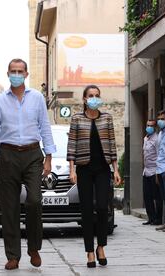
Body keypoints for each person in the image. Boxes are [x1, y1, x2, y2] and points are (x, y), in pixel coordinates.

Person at [0, 58, 56, 270]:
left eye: (20, 71)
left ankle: (34, 248)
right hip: (7, 155)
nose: (16, 74)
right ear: (8, 73)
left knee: (34, 201)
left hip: (33, 153)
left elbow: (45, 126)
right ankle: (13, 255)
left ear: (26, 74)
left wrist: (48, 157)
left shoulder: (37, 99)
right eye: (13, 71)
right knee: (9, 207)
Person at [67, 85, 121, 268]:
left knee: (102, 207)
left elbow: (112, 145)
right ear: (84, 99)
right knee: (87, 210)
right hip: (84, 169)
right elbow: (72, 145)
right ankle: (89, 252)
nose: (94, 98)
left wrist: (116, 169)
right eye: (90, 95)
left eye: (97, 95)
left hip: (103, 169)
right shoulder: (76, 119)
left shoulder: (107, 118)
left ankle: (101, 247)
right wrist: (72, 170)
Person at [142, 120, 163, 226]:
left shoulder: (157, 139)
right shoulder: (145, 138)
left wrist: (157, 173)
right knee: (147, 196)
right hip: (146, 171)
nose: (149, 127)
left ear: (155, 127)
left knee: (157, 197)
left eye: (151, 126)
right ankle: (150, 218)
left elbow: (159, 155)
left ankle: (158, 219)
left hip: (154, 171)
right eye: (148, 125)